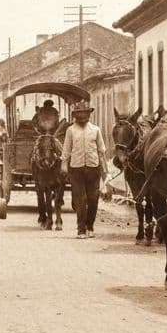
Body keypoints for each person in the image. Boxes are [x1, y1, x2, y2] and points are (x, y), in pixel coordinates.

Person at [60, 100, 108, 239]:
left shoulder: (95, 130)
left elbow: (101, 151)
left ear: (89, 114)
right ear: (75, 116)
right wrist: (64, 165)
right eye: (79, 114)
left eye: (85, 113)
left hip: (93, 168)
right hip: (76, 168)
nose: (82, 117)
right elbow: (67, 149)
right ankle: (81, 229)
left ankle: (90, 226)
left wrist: (105, 170)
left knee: (93, 198)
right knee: (80, 199)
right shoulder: (71, 130)